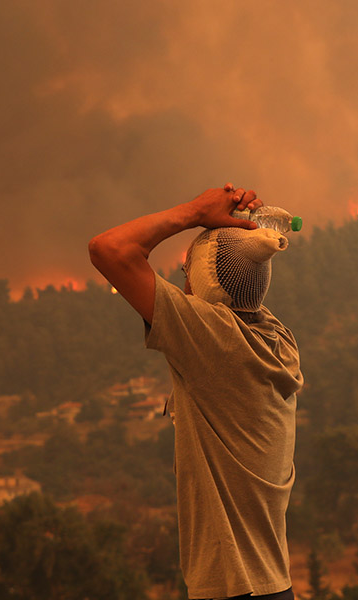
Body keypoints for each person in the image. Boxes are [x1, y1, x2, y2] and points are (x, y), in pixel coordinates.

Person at [88, 184, 303, 600]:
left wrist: (196, 212)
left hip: (233, 589)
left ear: (202, 284)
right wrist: (240, 230)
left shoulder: (213, 338)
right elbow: (239, 286)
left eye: (187, 274)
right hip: (274, 586)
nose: (182, 284)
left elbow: (108, 249)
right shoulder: (276, 339)